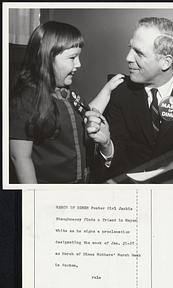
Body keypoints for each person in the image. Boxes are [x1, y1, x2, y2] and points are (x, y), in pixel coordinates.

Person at [85, 17, 173, 180]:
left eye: (138, 52)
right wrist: (106, 145)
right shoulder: (121, 91)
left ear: (165, 62)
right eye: (130, 48)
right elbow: (116, 156)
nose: (128, 58)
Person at [9, 21, 124, 184]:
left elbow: (86, 114)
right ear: (46, 58)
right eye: (72, 58)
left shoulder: (69, 93)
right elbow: (20, 157)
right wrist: (34, 198)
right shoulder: (25, 100)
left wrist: (107, 90)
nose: (79, 64)